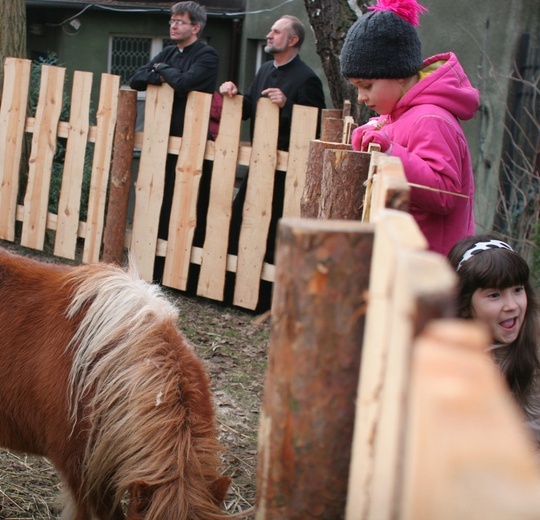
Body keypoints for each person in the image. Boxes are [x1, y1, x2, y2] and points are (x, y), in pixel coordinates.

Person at [340, 0, 480, 255]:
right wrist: (376, 131)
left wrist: (389, 151)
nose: (361, 96)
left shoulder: (431, 119)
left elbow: (445, 193)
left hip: (428, 265)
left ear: (399, 74)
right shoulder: (400, 115)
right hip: (404, 257)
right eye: (356, 87)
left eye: (367, 85)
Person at [129, 1, 219, 281]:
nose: (173, 25)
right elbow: (136, 79)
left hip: (191, 140)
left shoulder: (207, 55)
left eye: (180, 21)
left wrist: (161, 70)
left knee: (189, 203)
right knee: (160, 198)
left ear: (196, 27)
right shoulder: (168, 51)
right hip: (162, 138)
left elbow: (184, 83)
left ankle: (186, 274)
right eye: (172, 20)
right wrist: (163, 69)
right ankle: (155, 268)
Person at [448, 234, 540, 445]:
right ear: (463, 306)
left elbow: (534, 428)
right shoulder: (447, 351)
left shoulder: (534, 342)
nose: (511, 305)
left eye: (518, 290)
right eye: (494, 295)